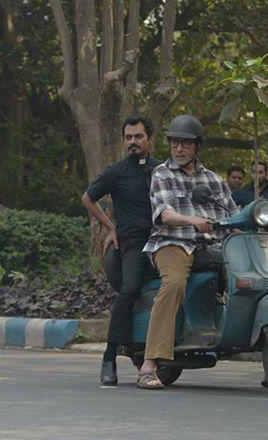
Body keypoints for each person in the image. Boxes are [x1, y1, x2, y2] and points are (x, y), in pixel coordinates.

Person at [137, 114, 238, 390]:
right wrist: (192, 220)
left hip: (211, 246)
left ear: (196, 147)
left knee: (246, 278)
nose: (179, 149)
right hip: (173, 243)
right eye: (174, 143)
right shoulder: (162, 174)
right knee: (174, 285)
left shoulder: (214, 180)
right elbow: (165, 213)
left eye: (185, 144)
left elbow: (234, 216)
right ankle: (149, 363)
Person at [81, 114, 162, 386]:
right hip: (132, 243)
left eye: (138, 136)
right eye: (128, 137)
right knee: (130, 289)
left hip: (164, 241)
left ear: (149, 139)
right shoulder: (116, 172)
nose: (133, 142)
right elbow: (88, 198)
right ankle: (109, 357)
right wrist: (110, 227)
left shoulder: (162, 170)